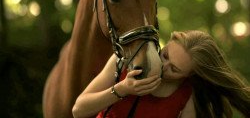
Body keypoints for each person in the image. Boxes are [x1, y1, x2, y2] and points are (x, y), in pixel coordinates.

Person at [72, 30, 250, 118]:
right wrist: (122, 89)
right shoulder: (125, 60)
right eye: (165, 56)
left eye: (175, 69)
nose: (163, 66)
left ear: (189, 75)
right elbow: (78, 110)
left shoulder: (186, 95)